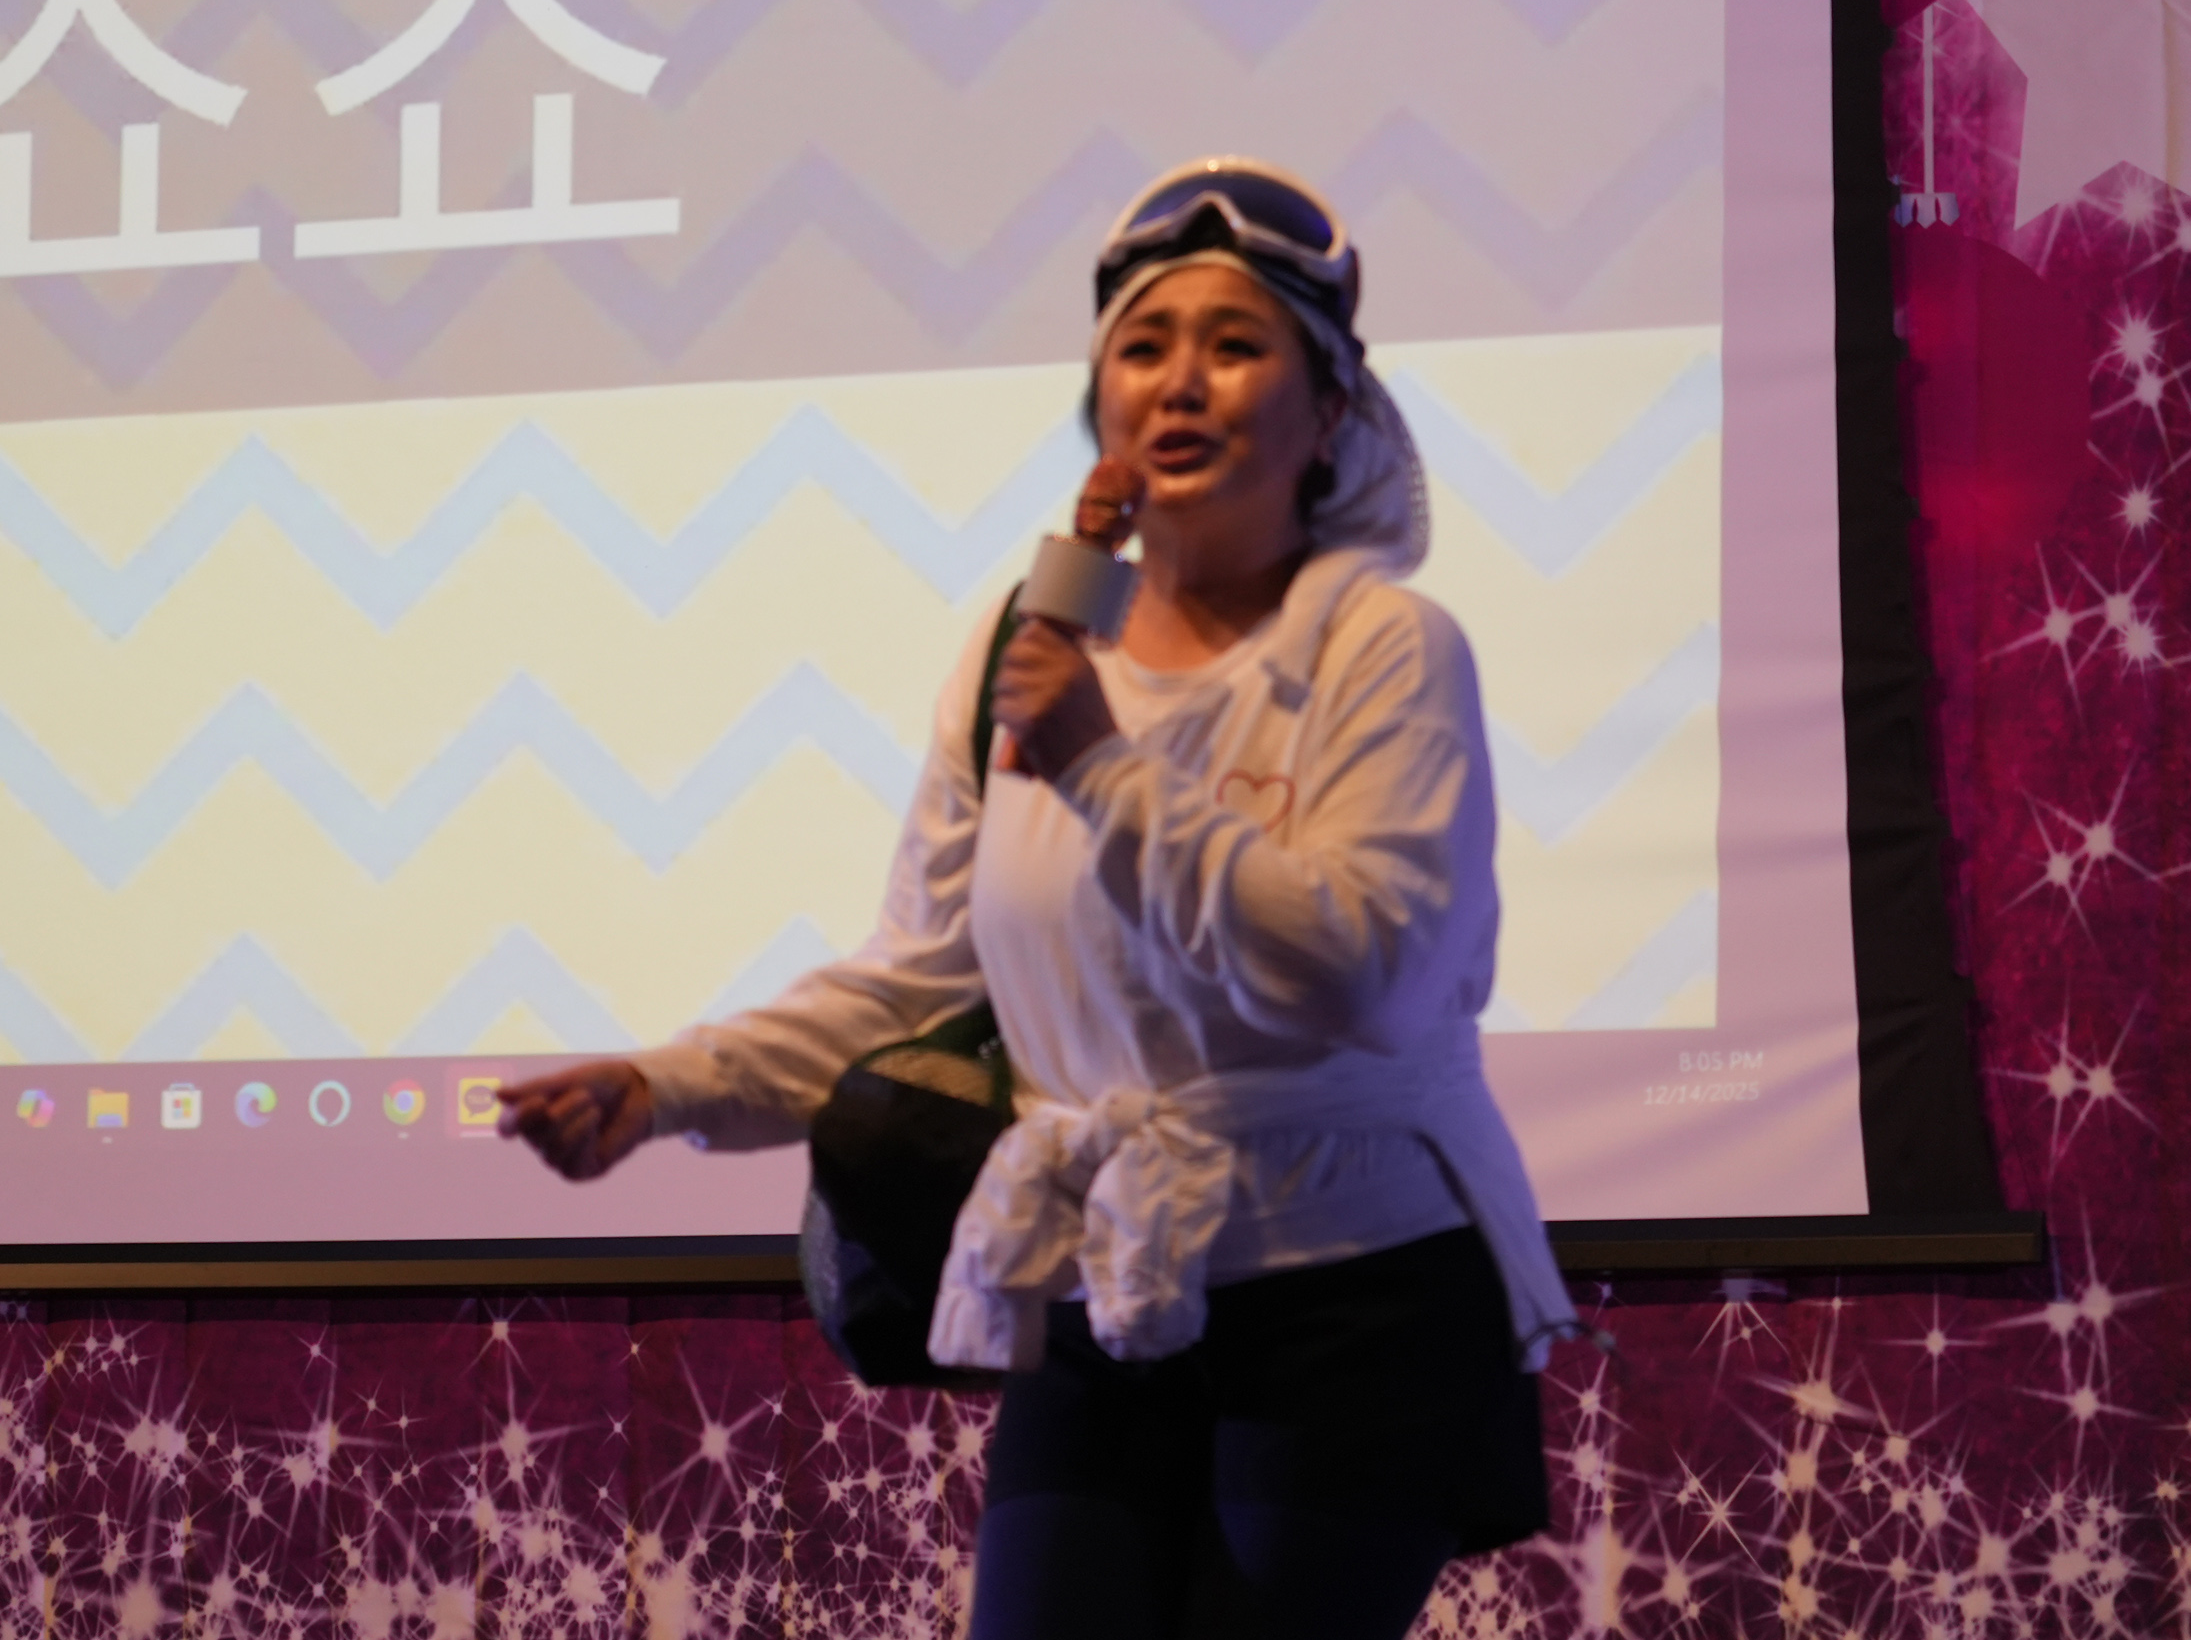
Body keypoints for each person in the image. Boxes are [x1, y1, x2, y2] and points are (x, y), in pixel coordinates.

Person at [499, 159, 1578, 1639]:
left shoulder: (1385, 646)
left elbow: (1361, 968)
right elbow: (921, 979)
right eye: (1144, 348)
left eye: (1236, 345)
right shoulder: (1027, 649)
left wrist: (1103, 769)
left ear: (1331, 413)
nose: (1179, 382)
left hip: (1357, 1288)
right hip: (1107, 1284)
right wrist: (665, 1084)